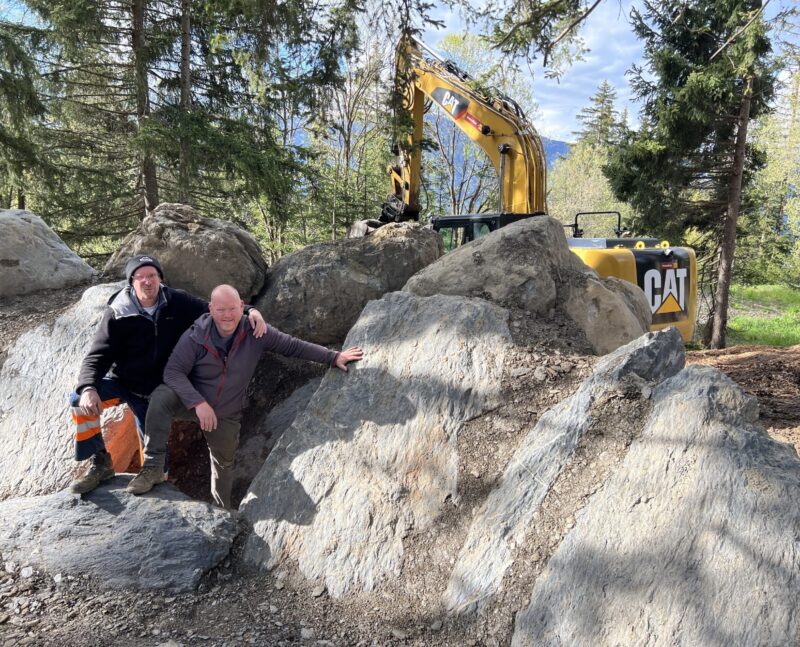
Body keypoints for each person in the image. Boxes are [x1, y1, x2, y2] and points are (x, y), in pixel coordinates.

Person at [126, 284, 363, 509]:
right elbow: (173, 372)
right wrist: (198, 403)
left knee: (223, 465)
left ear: (242, 306)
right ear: (211, 309)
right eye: (220, 310)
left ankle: (222, 510)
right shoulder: (196, 336)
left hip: (225, 413)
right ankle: (154, 466)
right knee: (161, 397)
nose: (227, 315)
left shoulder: (256, 332)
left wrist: (333, 357)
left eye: (232, 309)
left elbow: (293, 346)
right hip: (193, 403)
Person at [69, 255, 267, 494]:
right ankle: (100, 463)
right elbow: (96, 356)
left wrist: (251, 310)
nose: (147, 282)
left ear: (160, 278)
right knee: (78, 400)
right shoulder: (118, 312)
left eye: (152, 275)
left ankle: (156, 490)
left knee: (155, 471)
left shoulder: (177, 301)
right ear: (131, 282)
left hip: (156, 394)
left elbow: (215, 310)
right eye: (140, 277)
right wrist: (89, 388)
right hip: (123, 383)